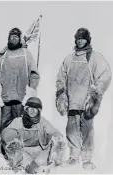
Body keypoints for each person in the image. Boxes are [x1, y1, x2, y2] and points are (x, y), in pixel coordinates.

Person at [56, 28, 112, 170]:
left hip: (87, 102)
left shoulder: (94, 57)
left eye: (83, 38)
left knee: (87, 131)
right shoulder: (69, 58)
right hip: (72, 101)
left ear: (88, 40)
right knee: (71, 130)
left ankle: (86, 160)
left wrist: (96, 91)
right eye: (78, 38)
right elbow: (60, 78)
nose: (80, 40)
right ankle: (73, 157)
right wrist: (61, 94)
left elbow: (106, 74)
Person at [0, 27, 40, 134]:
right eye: (11, 37)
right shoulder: (4, 55)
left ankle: (22, 150)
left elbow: (34, 75)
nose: (13, 39)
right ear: (8, 39)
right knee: (5, 129)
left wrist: (31, 93)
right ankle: (5, 150)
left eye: (16, 37)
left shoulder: (26, 54)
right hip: (6, 102)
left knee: (23, 128)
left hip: (21, 101)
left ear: (19, 39)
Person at [1, 97, 65, 174]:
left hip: (39, 152)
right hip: (23, 152)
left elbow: (54, 132)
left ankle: (39, 167)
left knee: (53, 145)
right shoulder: (18, 121)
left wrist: (58, 139)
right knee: (13, 148)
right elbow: (7, 131)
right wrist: (12, 139)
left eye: (35, 108)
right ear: (26, 109)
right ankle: (23, 167)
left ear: (39, 111)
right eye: (30, 107)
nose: (32, 110)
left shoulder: (43, 121)